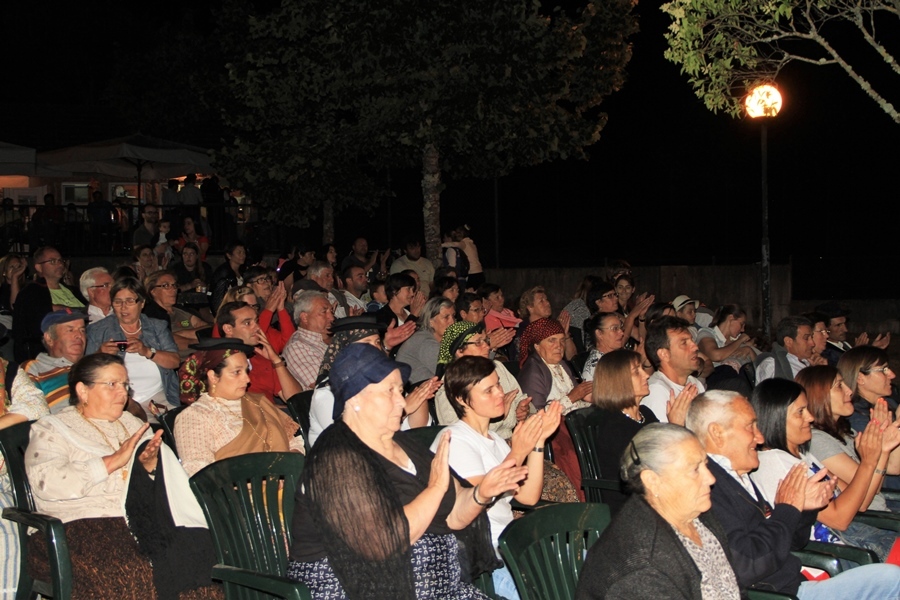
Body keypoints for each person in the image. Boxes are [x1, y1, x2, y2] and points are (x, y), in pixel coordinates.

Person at [287, 343, 524, 599]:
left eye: (400, 390)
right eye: (389, 391)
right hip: (357, 589)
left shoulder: (406, 445)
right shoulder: (335, 457)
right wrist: (434, 488)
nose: (401, 401)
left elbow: (455, 515)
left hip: (436, 589)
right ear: (355, 399)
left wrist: (481, 493)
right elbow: (383, 542)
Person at [24, 353, 218, 599]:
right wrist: (110, 462)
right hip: (77, 525)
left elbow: (163, 483)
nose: (122, 392)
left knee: (199, 561)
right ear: (83, 390)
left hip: (140, 521)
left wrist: (149, 467)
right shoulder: (53, 427)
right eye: (112, 384)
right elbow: (47, 484)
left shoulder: (133, 424)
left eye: (125, 385)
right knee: (128, 572)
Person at [687, 389, 900, 599]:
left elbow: (790, 542)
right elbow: (749, 564)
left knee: (891, 578)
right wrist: (787, 510)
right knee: (892, 580)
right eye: (750, 427)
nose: (759, 437)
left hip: (796, 584)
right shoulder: (708, 490)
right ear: (717, 433)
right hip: (783, 591)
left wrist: (804, 509)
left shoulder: (738, 476)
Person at [436, 356, 560, 599]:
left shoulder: (495, 441)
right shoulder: (454, 439)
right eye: (488, 390)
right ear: (462, 399)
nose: (499, 393)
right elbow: (480, 501)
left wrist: (538, 442)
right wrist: (518, 451)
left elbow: (528, 496)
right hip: (486, 555)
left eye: (498, 385)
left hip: (513, 543)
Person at [576, 423, 740, 600]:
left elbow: (735, 590)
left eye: (705, 465)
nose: (710, 478)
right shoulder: (642, 566)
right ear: (652, 480)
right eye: (694, 470)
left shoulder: (698, 515)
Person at [749, 378, 900, 561]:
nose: (810, 417)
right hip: (840, 551)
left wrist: (880, 452)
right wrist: (868, 461)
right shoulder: (777, 464)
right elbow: (839, 520)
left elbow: (861, 501)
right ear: (776, 418)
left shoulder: (801, 455)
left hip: (858, 536)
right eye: (800, 412)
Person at [174, 338, 306, 476]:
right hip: (241, 494)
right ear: (213, 376)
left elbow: (293, 440)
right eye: (237, 372)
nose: (247, 379)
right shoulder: (196, 415)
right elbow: (200, 472)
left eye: (246, 371)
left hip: (288, 482)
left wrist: (291, 461)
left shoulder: (258, 401)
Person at [307, 315, 426, 446]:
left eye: (377, 342)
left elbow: (416, 432)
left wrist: (421, 396)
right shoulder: (325, 395)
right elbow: (357, 442)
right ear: (346, 350)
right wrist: (404, 410)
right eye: (366, 344)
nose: (375, 349)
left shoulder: (385, 383)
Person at [797, 365, 900, 512]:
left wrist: (890, 434)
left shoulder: (844, 430)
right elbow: (863, 499)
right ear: (819, 395)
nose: (850, 391)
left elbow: (888, 473)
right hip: (866, 525)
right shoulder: (817, 440)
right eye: (839, 386)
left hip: (881, 512)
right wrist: (881, 448)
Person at [517, 317, 591, 497]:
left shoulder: (561, 365)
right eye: (552, 340)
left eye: (561, 340)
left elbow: (578, 399)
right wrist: (572, 398)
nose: (559, 346)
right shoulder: (533, 370)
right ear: (536, 346)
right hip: (554, 435)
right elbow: (537, 415)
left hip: (575, 426)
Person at [86, 277, 181, 418]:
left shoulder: (156, 327)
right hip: (117, 399)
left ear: (141, 303)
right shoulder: (99, 330)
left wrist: (147, 351)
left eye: (130, 301)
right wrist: (100, 354)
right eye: (118, 302)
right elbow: (84, 372)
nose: (123, 307)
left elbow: (175, 361)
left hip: (159, 396)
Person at [586, 349, 663, 514]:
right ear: (619, 381)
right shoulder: (613, 425)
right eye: (637, 372)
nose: (647, 375)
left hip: (651, 492)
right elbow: (637, 472)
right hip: (628, 505)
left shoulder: (646, 413)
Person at [434, 321, 527, 439]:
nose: (487, 346)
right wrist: (502, 414)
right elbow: (459, 435)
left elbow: (520, 397)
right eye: (478, 343)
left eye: (486, 341)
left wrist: (522, 409)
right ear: (459, 351)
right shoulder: (450, 386)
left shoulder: (497, 368)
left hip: (509, 442)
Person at [13, 246, 86, 362]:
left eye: (61, 260)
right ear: (38, 267)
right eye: (53, 261)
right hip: (50, 352)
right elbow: (38, 320)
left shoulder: (73, 290)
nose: (60, 264)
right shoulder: (32, 291)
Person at [642, 316, 704, 423]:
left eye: (692, 340)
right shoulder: (656, 392)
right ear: (664, 354)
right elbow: (660, 439)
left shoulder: (695, 383)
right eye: (684, 343)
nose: (695, 347)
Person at [144, 270, 208, 356]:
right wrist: (203, 342)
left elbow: (208, 329)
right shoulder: (152, 315)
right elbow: (168, 342)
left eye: (174, 285)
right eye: (166, 286)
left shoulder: (181, 310)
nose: (173, 289)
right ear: (153, 291)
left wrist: (181, 334)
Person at [396, 296, 456, 384]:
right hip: (412, 393)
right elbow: (453, 375)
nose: (452, 322)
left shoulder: (437, 338)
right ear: (430, 321)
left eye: (453, 316)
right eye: (446, 317)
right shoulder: (426, 342)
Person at [284, 291, 335, 391]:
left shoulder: (334, 337)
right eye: (324, 312)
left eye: (331, 311)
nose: (332, 318)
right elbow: (325, 385)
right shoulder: (298, 347)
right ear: (305, 318)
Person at [755, 316, 815, 383]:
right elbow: (766, 393)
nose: (812, 343)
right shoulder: (772, 365)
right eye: (806, 338)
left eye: (811, 337)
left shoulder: (810, 363)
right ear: (788, 342)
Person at [580, 312, 626, 381]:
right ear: (599, 333)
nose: (622, 333)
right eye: (615, 328)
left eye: (621, 328)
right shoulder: (597, 366)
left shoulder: (613, 357)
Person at [209, 241, 247, 312]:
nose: (243, 255)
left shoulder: (243, 270)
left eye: (244, 252)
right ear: (229, 255)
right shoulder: (223, 273)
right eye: (239, 252)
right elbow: (217, 298)